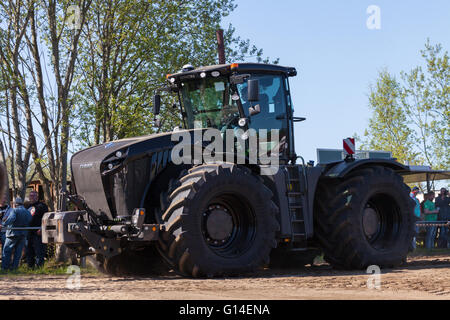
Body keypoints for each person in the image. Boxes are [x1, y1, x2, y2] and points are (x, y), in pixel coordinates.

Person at [1, 197, 32, 270]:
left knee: (7, 250)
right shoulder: (27, 211)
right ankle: (14, 268)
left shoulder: (14, 210)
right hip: (23, 234)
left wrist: (3, 224)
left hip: (12, 233)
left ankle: (5, 268)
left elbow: (11, 219)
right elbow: (30, 220)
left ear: (15, 204)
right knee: (18, 252)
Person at [26, 190, 48, 268]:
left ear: (37, 197)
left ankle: (39, 268)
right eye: (31, 196)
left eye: (34, 196)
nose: (32, 197)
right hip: (29, 232)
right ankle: (30, 267)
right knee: (29, 251)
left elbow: (46, 219)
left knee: (39, 251)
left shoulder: (42, 206)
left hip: (38, 232)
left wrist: (42, 229)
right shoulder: (27, 206)